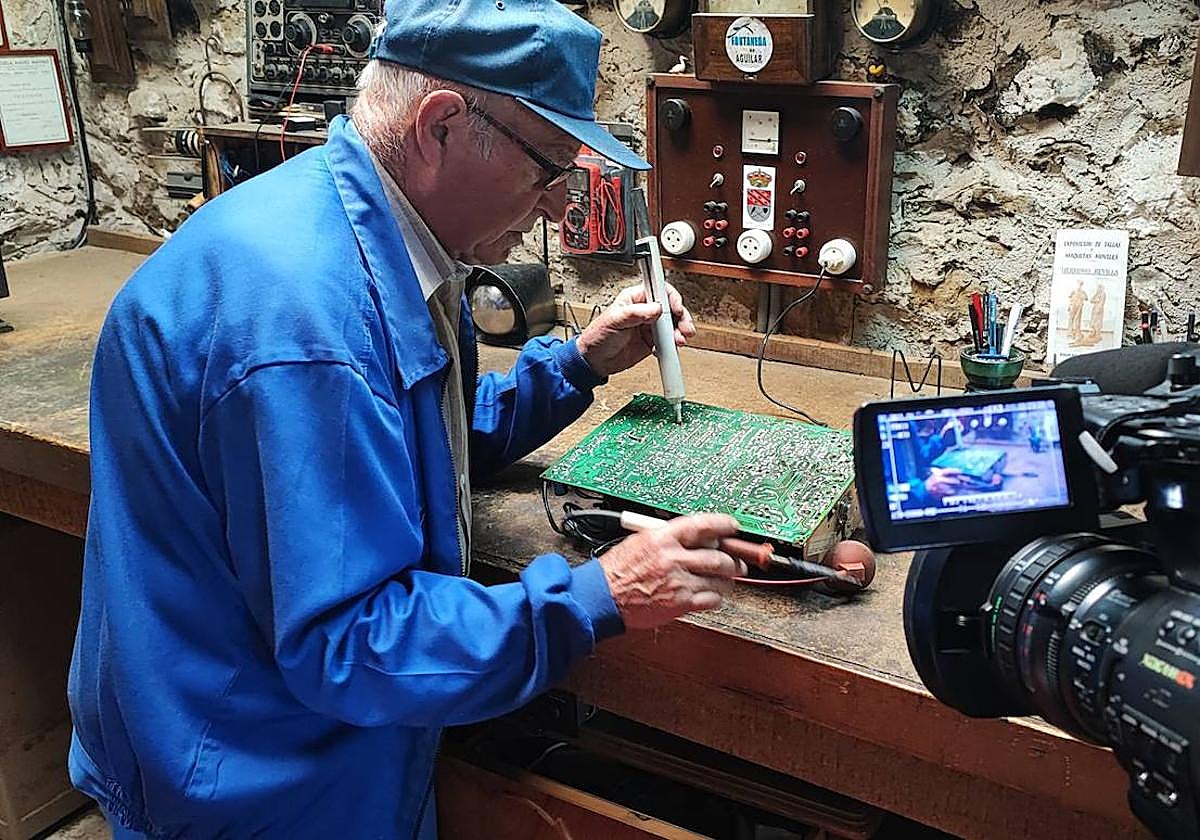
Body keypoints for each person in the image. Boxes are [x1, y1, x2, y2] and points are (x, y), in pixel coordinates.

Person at [66, 2, 747, 837]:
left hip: (261, 726)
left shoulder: (369, 227)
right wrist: (595, 595)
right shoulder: (309, 323)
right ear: (442, 125)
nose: (559, 207)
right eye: (548, 170)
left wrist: (579, 363)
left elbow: (415, 437)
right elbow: (350, 645)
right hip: (250, 775)